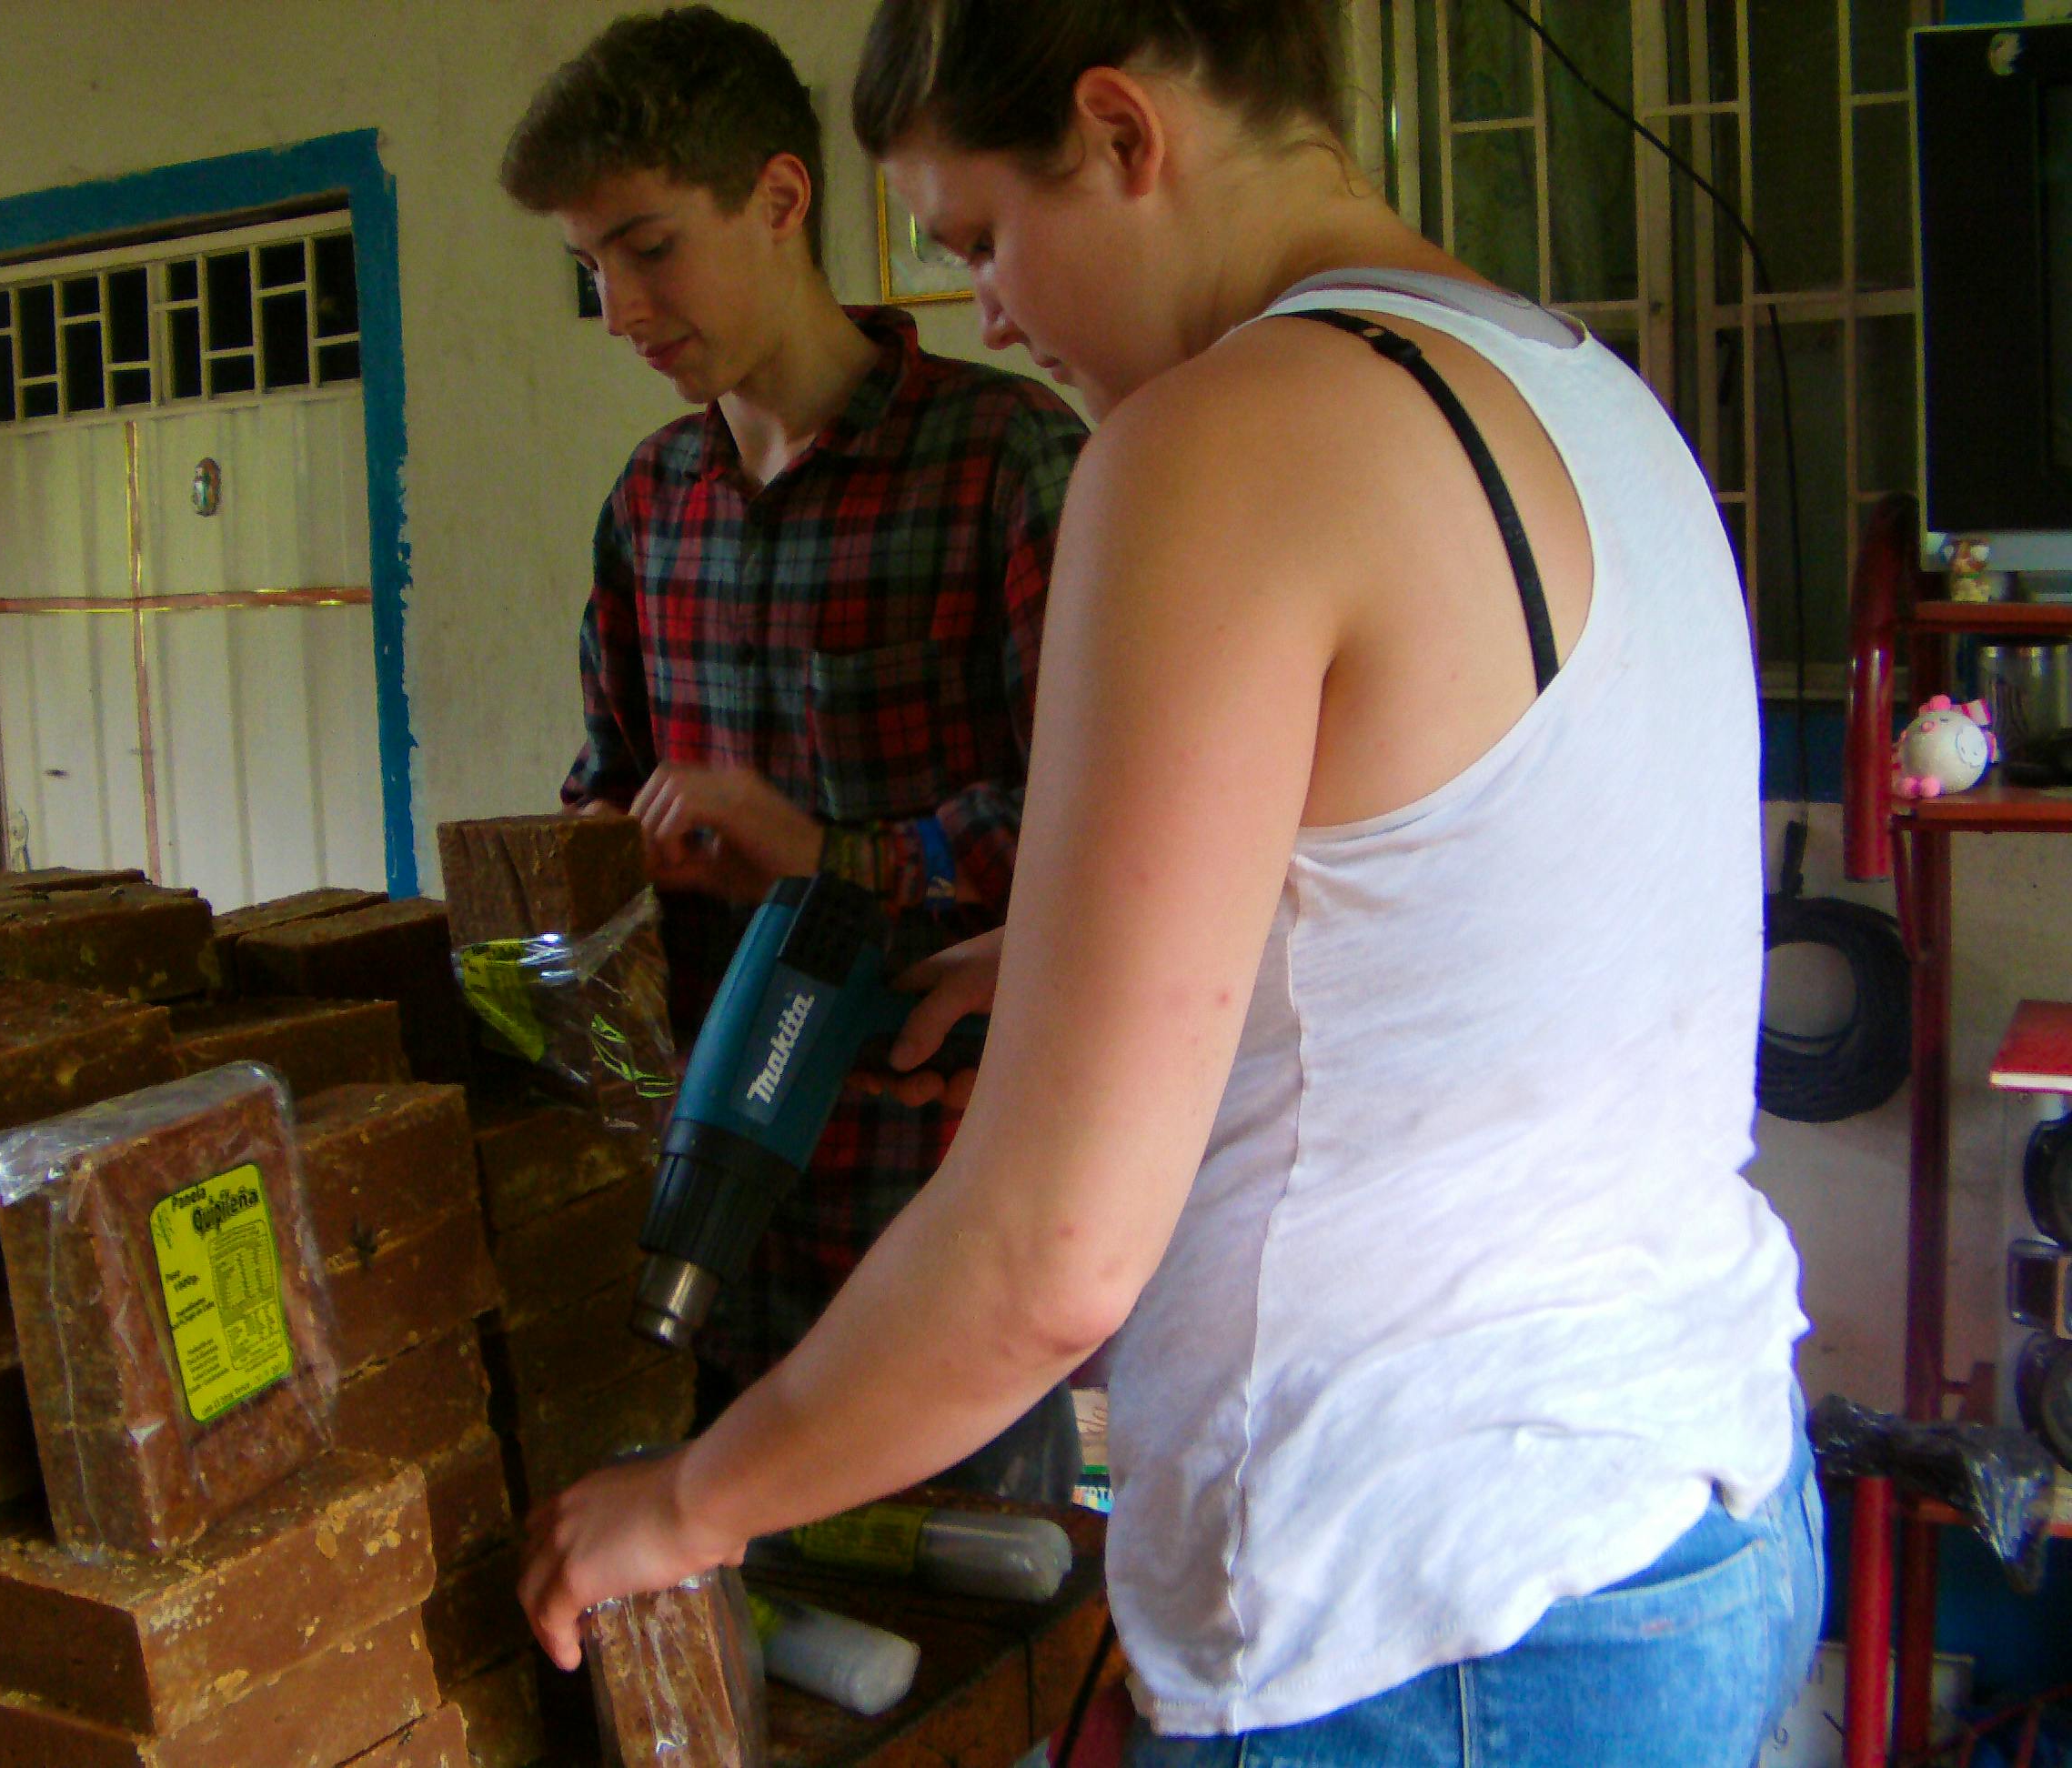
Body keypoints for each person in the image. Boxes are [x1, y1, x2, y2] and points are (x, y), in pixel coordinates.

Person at [518, 3, 1823, 1763]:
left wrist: (689, 1502)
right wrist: (1052, 961)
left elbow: (1048, 1259)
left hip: (1419, 1604)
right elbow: (1470, 911)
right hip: (1680, 1513)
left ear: (1124, 135)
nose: (986, 305)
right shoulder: (1576, 385)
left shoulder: (1220, 440)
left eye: (984, 237)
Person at [499, 5, 1090, 1501]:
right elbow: (599, 781)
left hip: (930, 1238)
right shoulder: (651, 504)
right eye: (590, 270)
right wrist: (608, 857)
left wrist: (835, 859)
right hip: (698, 1219)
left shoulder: (1004, 463)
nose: (622, 307)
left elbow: (1111, 833)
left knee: (960, 1646)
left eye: (647, 248)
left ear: (778, 197)